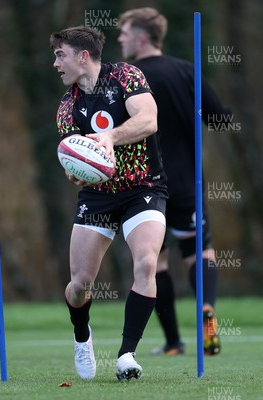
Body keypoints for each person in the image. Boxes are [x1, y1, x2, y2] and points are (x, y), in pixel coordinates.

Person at [50, 25, 168, 381]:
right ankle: (81, 336)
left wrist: (110, 137)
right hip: (98, 195)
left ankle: (126, 354)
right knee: (79, 284)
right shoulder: (67, 107)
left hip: (143, 186)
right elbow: (77, 164)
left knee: (147, 264)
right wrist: (76, 172)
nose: (55, 63)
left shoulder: (125, 76)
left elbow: (149, 120)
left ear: (83, 56)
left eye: (60, 55)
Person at [118, 7, 232, 356]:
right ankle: (207, 311)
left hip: (145, 185)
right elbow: (223, 120)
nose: (120, 39)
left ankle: (172, 342)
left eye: (124, 33)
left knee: (155, 262)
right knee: (200, 252)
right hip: (187, 183)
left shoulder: (127, 78)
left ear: (140, 37)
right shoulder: (186, 71)